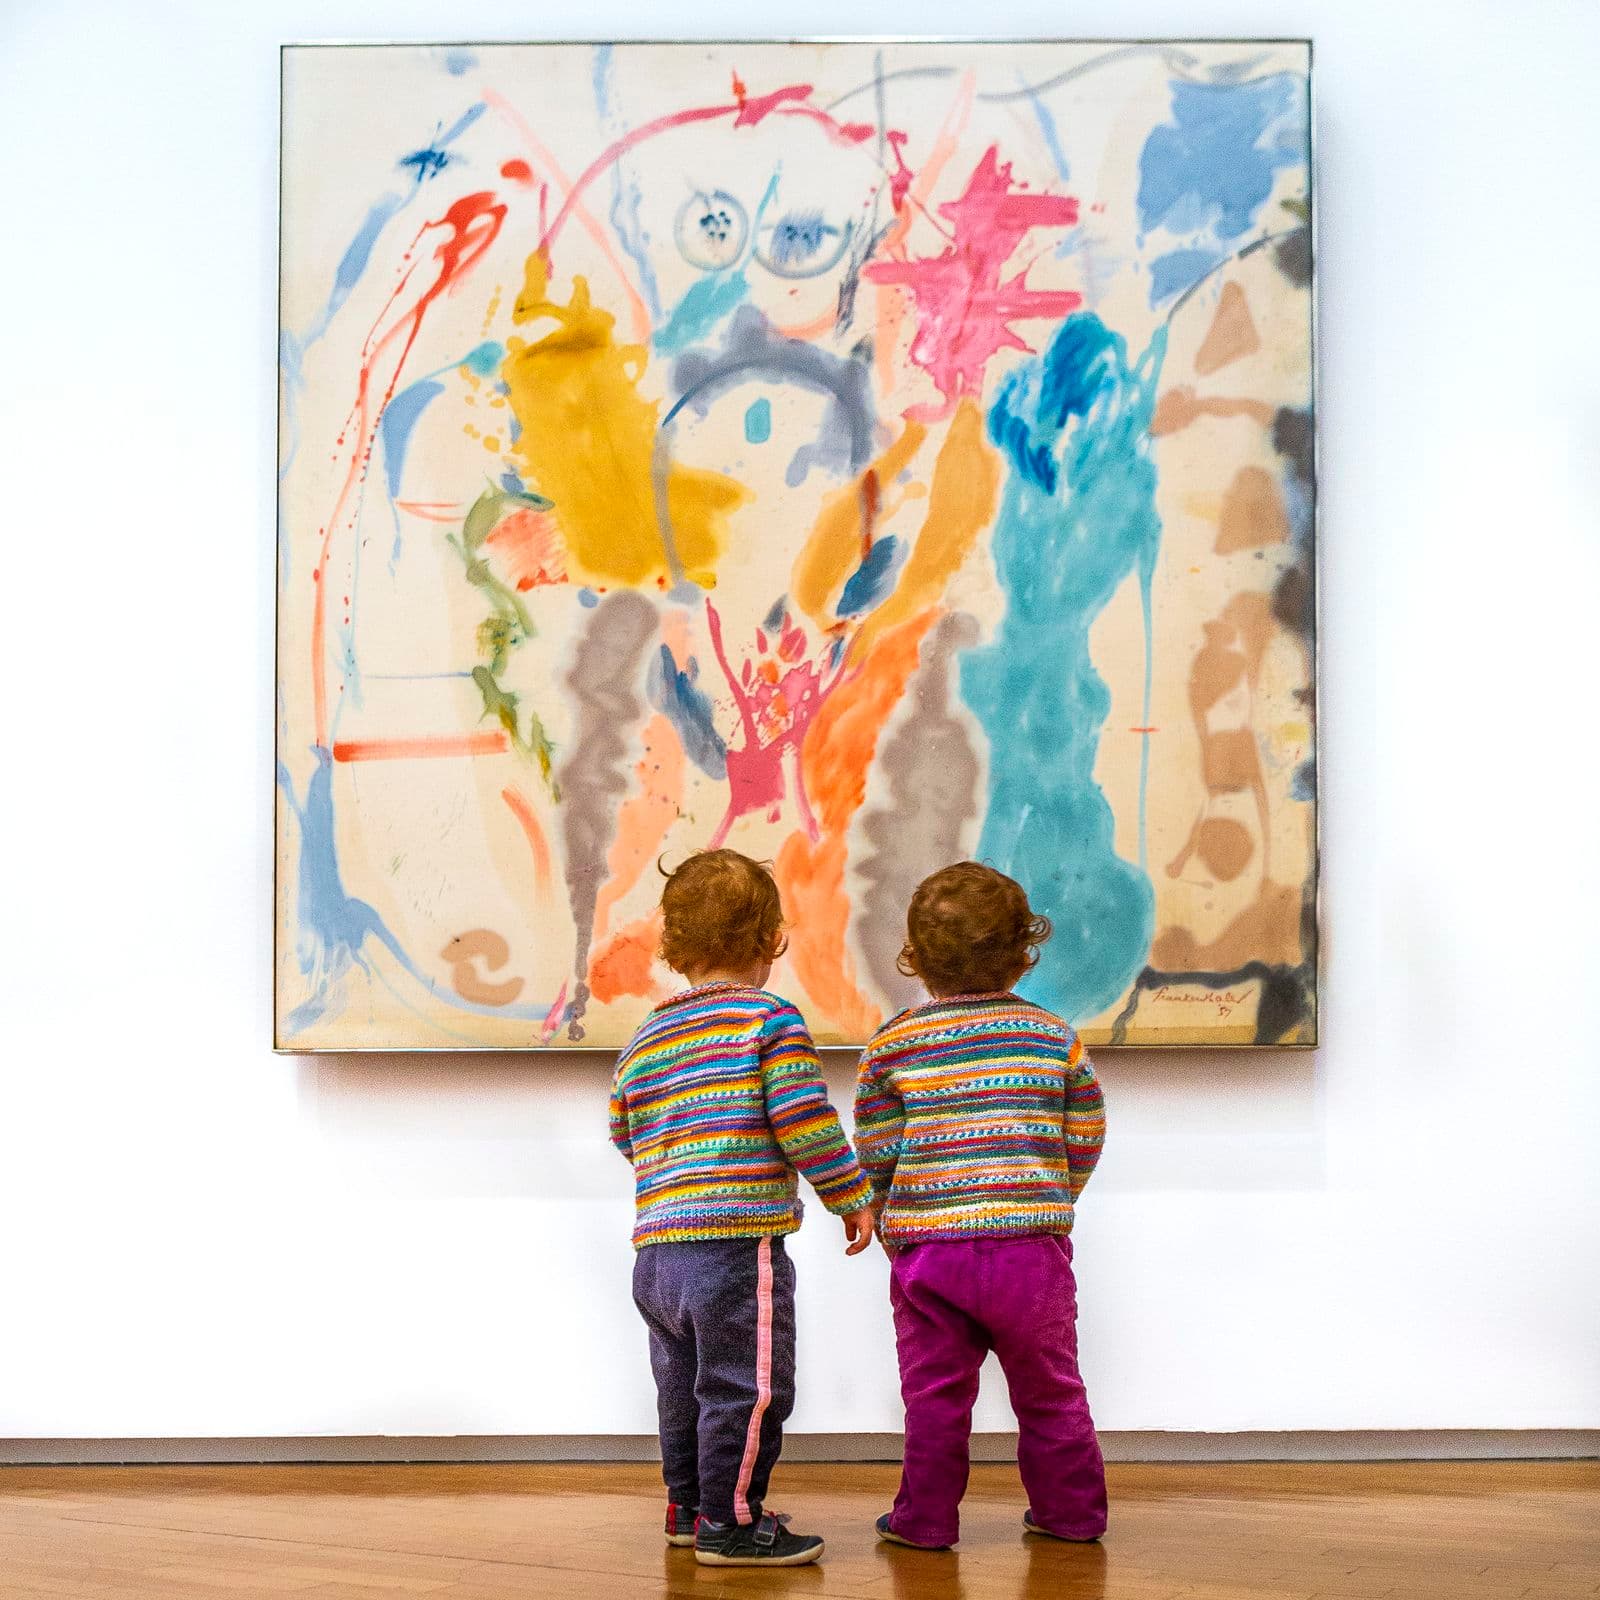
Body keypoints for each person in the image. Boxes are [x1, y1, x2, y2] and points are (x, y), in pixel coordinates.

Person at [609, 848, 876, 1567]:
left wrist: (676, 1177)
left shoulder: (647, 1035)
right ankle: (730, 1525)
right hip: (731, 1248)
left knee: (681, 1386)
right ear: (768, 941)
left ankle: (690, 1507)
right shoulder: (769, 1020)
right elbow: (802, 1118)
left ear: (675, 943)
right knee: (748, 1388)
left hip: (656, 1253)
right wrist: (848, 1192)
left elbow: (622, 1129)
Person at [854, 861, 1108, 1550]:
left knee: (934, 1399)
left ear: (915, 957)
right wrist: (1051, 1195)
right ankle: (1072, 1515)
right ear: (1022, 955)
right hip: (1032, 1253)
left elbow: (876, 1148)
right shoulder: (1052, 1038)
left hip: (931, 1252)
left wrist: (885, 1214)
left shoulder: (894, 1045)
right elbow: (1084, 1131)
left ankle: (925, 1521)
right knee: (1051, 1392)